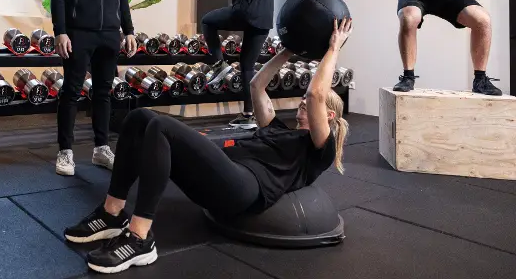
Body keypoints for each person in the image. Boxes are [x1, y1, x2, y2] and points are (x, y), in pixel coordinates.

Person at [63, 19, 352, 275]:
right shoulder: (277, 129)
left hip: (242, 189)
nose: (302, 101)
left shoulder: (318, 150)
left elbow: (315, 94)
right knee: (140, 117)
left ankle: (140, 238)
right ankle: (112, 213)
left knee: (162, 126)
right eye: (302, 101)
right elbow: (256, 86)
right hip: (221, 174)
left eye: (311, 104)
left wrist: (333, 49)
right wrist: (288, 50)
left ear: (328, 116)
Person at [50, 0, 137, 176]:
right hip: (79, 33)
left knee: (103, 93)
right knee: (71, 92)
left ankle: (101, 149)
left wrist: (129, 30)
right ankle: (65, 152)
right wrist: (61, 31)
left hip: (109, 34)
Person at [201, 0, 274, 129]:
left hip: (245, 13)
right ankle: (248, 115)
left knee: (207, 21)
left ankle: (219, 65)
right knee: (247, 66)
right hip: (263, 20)